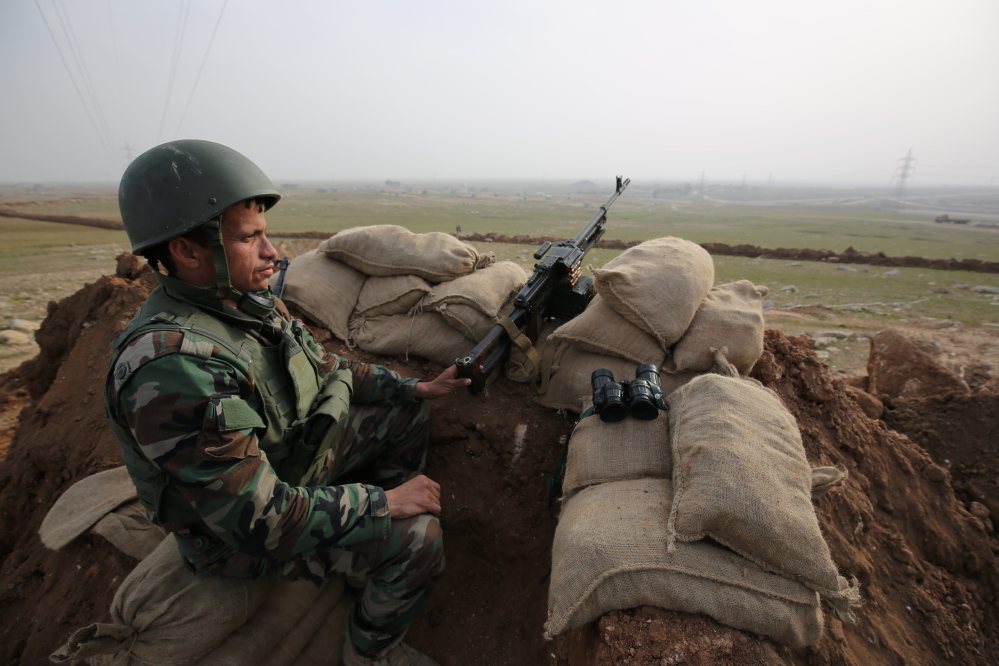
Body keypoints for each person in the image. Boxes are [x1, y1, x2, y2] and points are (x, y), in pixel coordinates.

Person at [105, 139, 468, 665]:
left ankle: (363, 552)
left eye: (265, 236)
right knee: (421, 539)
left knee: (404, 411)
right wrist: (381, 505)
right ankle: (369, 652)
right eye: (251, 239)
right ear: (187, 251)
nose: (271, 252)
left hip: (294, 464)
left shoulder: (241, 304)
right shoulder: (175, 366)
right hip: (245, 543)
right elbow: (258, 518)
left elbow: (327, 370)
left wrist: (415, 388)